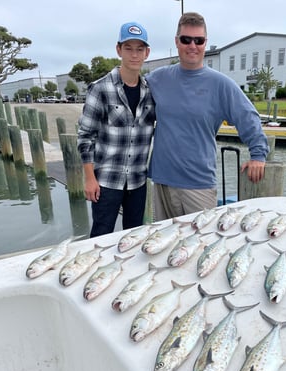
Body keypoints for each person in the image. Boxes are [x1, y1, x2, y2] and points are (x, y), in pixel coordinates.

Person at [146, 12, 269, 221]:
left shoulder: (221, 84)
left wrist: (258, 155)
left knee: (200, 245)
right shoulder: (157, 78)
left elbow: (248, 116)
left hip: (199, 185)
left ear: (205, 43)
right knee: (163, 248)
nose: (192, 45)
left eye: (199, 40)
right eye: (186, 39)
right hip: (162, 181)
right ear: (177, 42)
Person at [77, 22, 155, 237]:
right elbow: (85, 137)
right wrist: (89, 178)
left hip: (138, 181)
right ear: (118, 49)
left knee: (133, 237)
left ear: (147, 53)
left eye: (140, 49)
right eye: (128, 48)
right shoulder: (99, 88)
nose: (134, 55)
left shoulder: (151, 91)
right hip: (106, 181)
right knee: (101, 236)